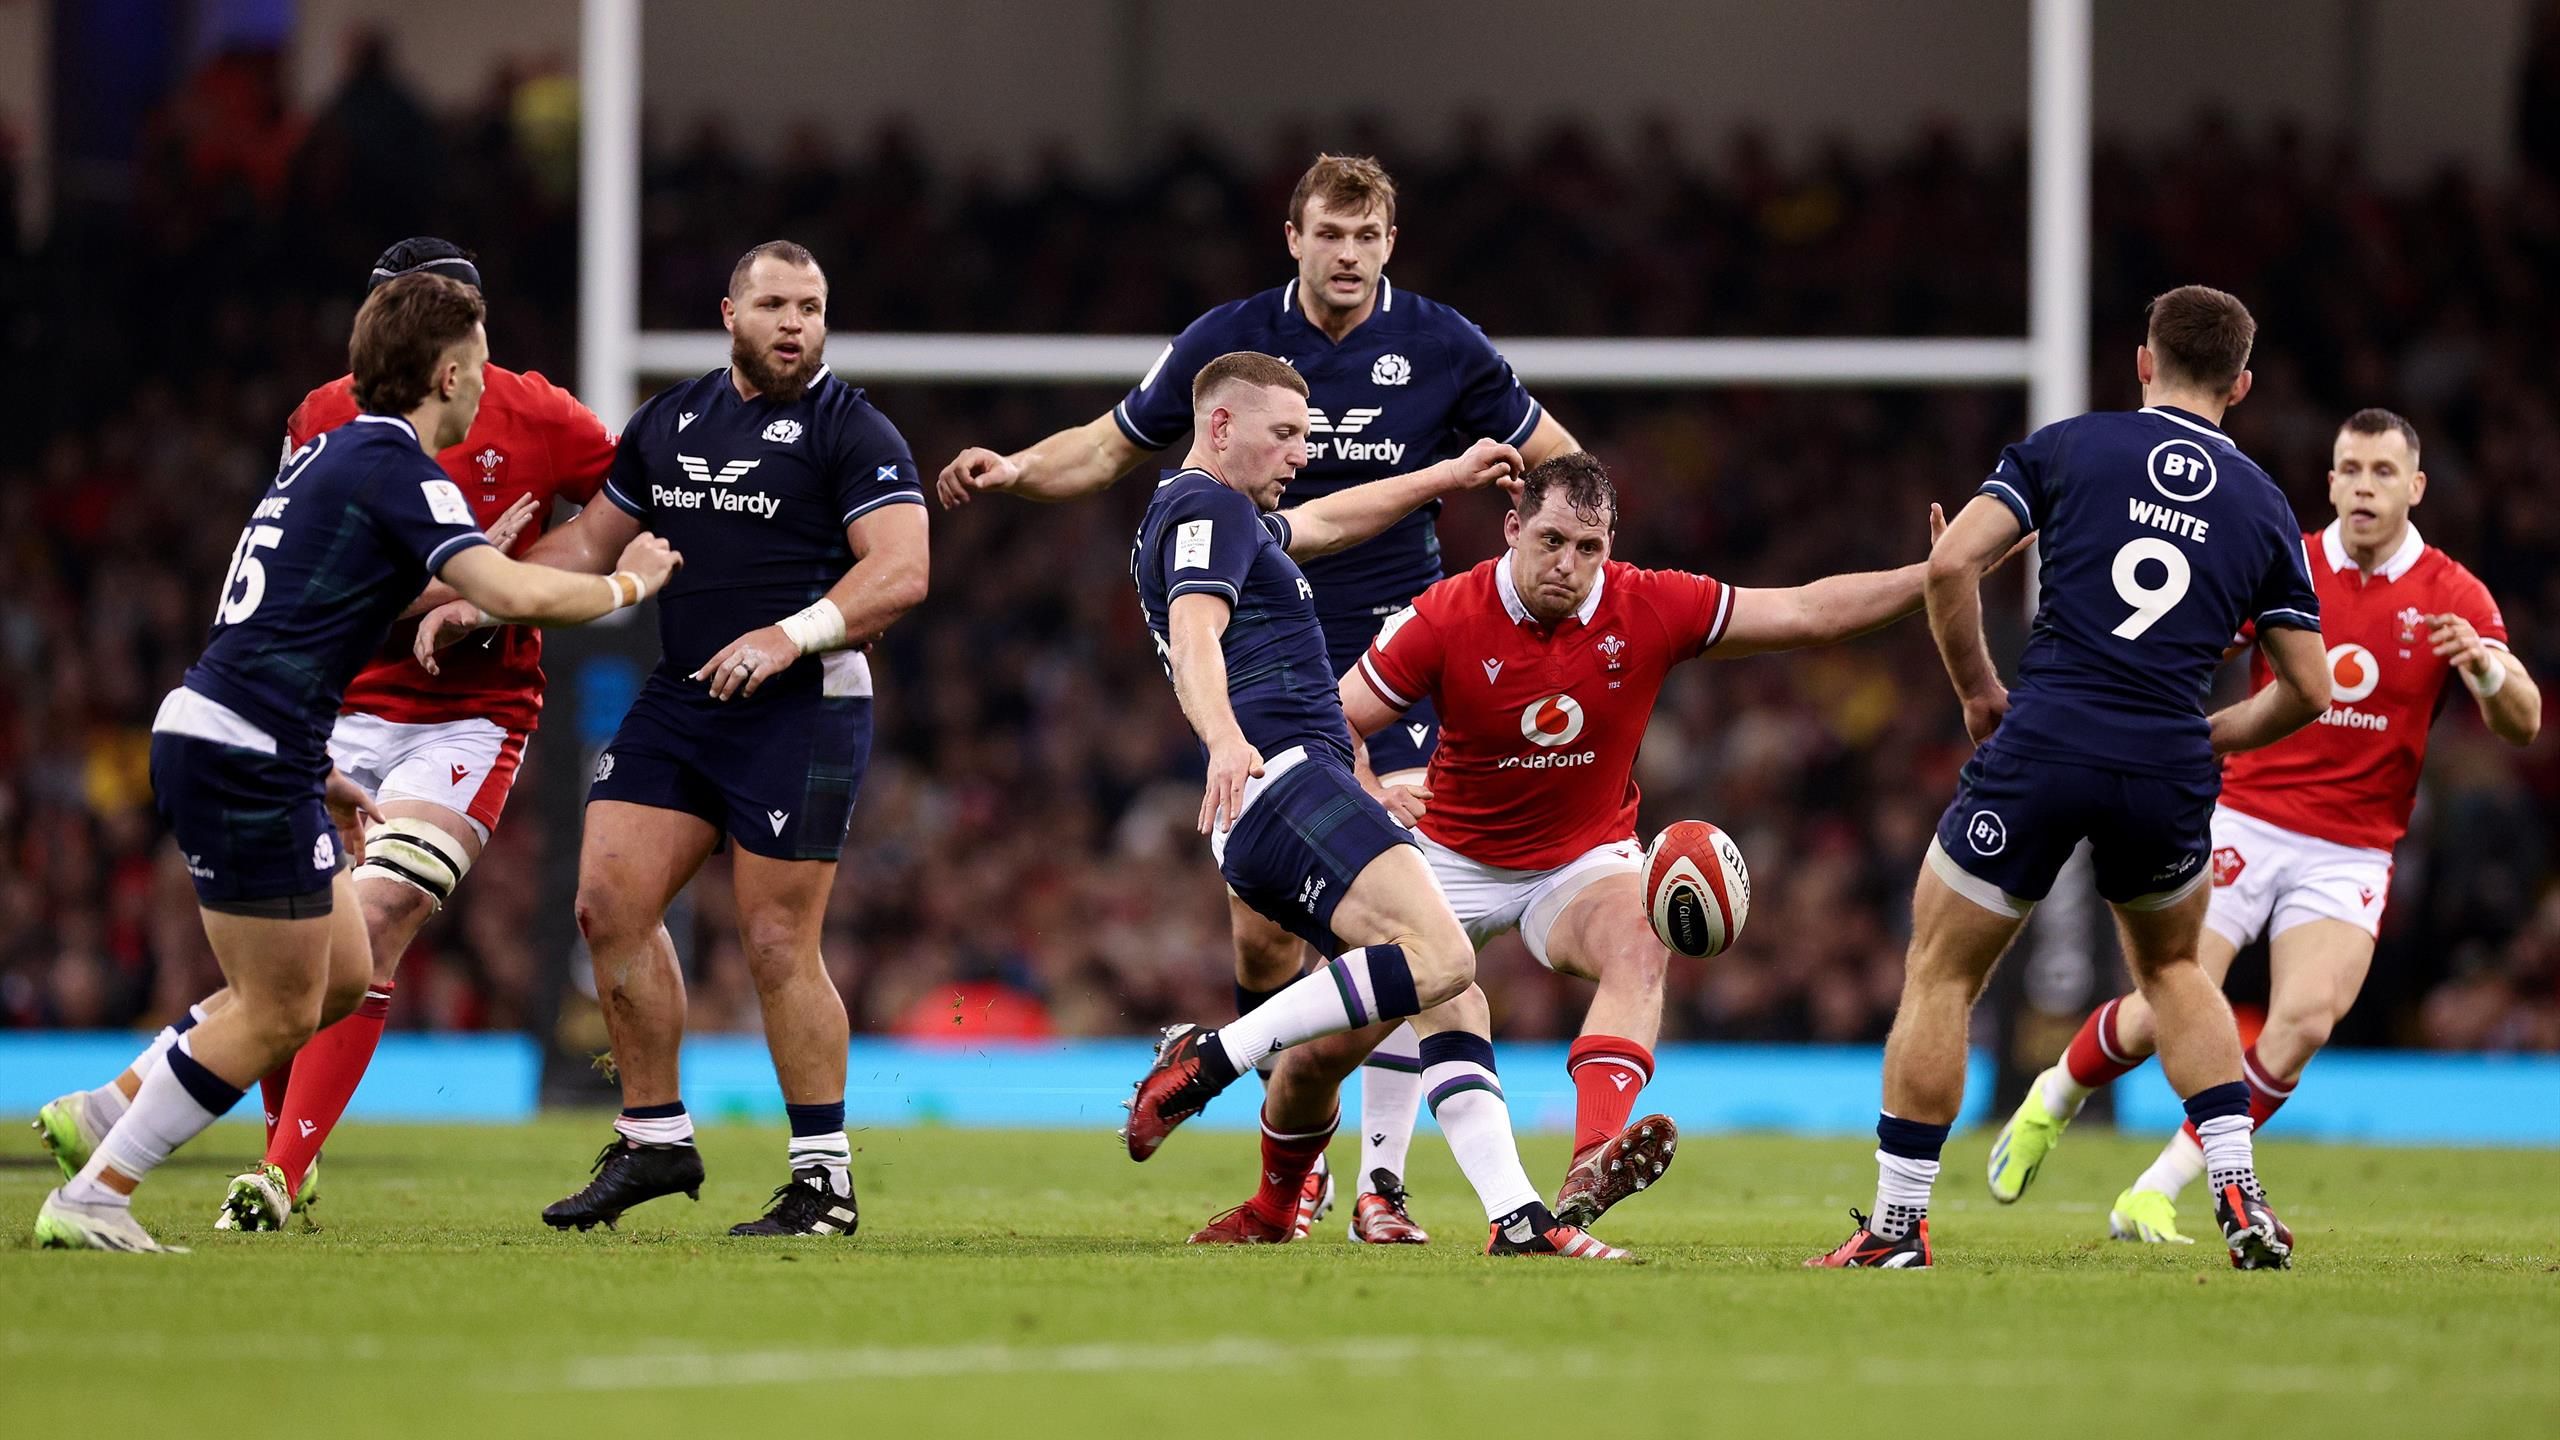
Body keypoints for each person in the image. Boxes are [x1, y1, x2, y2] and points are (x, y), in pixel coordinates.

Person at [938, 155, 1581, 1237]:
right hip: (1273, 713)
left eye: (1367, 237)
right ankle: (1262, 1106)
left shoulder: (1432, 354)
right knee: (1329, 950)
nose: (1348, 254)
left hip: (1392, 656)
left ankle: (1371, 1183)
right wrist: (1019, 469)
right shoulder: (1221, 422)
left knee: (1418, 940)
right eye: (1330, 233)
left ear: (1391, 243)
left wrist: (1481, 501)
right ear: (1294, 237)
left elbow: (1348, 514)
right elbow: (1124, 481)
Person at [30, 238, 678, 1232]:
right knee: (281, 1000)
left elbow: (304, 598)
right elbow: (503, 590)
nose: (487, 377)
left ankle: (113, 1118)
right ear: (447, 369)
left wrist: (312, 760)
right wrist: (630, 583)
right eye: (477, 355)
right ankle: (100, 1193)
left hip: (253, 732)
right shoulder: (388, 463)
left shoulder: (338, 450)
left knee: (333, 970)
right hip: (257, 743)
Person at [1201, 452, 2004, 1243]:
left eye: (1589, 547)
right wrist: (1371, 789)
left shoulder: (1648, 604)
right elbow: (1336, 716)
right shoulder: (1448, 613)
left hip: (1581, 861)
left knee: (1642, 940)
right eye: (1551, 540)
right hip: (1448, 858)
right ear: (1513, 529)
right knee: (1317, 1061)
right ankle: (1280, 1202)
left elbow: (1805, 612)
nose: (1568, 564)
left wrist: (1939, 573)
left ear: (1609, 547)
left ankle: (1591, 1159)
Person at [1808, 286, 2333, 1271]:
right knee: (2174, 972)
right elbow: (2310, 687)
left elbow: (1949, 566)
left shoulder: (2069, 447)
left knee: (1942, 971)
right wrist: (2209, 736)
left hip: (2044, 739)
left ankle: (1896, 1228)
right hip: (2164, 764)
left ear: (2144, 361)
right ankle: (2236, 1186)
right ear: (2241, 385)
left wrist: (1978, 689)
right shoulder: (2265, 507)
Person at [434, 241, 929, 1237]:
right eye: (775, 305)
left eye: (811, 307)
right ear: (730, 314)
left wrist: (787, 636)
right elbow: (591, 544)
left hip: (805, 703)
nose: (795, 324)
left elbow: (903, 569)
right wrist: (483, 595)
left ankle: (823, 1181)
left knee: (778, 941)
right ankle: (655, 1137)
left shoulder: (852, 428)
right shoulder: (670, 420)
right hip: (685, 694)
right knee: (605, 903)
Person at [1987, 407, 2539, 1241]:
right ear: (2331, 481)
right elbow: (2194, 642)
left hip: (2353, 847)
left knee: (2305, 1020)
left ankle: (2157, 1187)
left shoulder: (2452, 595)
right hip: (2246, 818)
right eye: (2351, 469)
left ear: (2416, 488)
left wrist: (2489, 671)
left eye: (2383, 472)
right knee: (2164, 1006)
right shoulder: (2288, 559)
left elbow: (2523, 723)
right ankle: (2053, 1095)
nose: (2364, 487)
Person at [1118, 351, 1623, 1260]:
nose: (1302, 454)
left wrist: (1446, 474)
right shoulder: (1208, 509)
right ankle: (1211, 1058)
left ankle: (1475, 1215)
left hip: (1289, 791)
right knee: (1442, 955)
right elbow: (1196, 630)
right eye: (1285, 434)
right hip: (1283, 781)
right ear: (1220, 427)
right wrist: (1225, 739)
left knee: (1431, 997)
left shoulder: (1230, 519)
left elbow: (1325, 521)